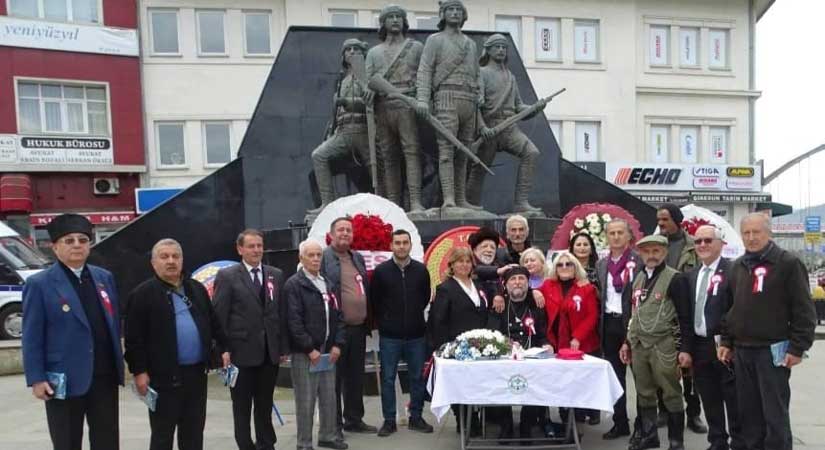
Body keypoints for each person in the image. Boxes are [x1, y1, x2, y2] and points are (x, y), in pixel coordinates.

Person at [22, 214, 124, 450]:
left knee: (107, 440)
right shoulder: (40, 284)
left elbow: (112, 322)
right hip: (63, 380)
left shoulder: (103, 278)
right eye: (69, 241)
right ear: (55, 247)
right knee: (67, 441)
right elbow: (32, 336)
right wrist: (37, 378)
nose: (77, 245)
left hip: (103, 375)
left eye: (82, 240)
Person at [718, 213, 816, 450]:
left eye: (756, 232)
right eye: (746, 233)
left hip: (773, 353)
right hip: (742, 352)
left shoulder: (788, 263)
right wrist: (726, 341)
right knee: (749, 413)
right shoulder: (736, 267)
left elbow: (804, 310)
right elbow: (731, 309)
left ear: (768, 233)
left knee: (774, 415)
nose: (751, 238)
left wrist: (798, 347)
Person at [125, 239, 230, 450]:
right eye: (164, 257)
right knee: (163, 435)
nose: (171, 261)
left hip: (196, 375)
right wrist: (139, 372)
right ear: (154, 263)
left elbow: (214, 323)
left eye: (175, 256)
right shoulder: (142, 294)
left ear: (182, 260)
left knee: (193, 433)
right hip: (162, 377)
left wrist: (224, 349)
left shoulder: (196, 289)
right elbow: (133, 339)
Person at [213, 229, 288, 450]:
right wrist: (222, 349)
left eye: (259, 246)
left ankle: (267, 443)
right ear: (240, 249)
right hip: (241, 353)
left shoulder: (275, 274)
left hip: (269, 352)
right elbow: (219, 316)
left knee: (264, 404)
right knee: (242, 406)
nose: (256, 250)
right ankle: (245, 444)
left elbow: (279, 314)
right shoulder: (227, 276)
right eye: (251, 246)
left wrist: (281, 346)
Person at [675, 225, 743, 450]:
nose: (702, 245)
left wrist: (728, 342)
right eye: (698, 241)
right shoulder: (691, 276)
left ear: (720, 244)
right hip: (700, 346)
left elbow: (737, 310)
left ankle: (738, 442)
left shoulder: (733, 271)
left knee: (732, 399)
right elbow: (686, 317)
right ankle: (717, 442)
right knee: (710, 399)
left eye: (707, 241)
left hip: (725, 346)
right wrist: (685, 348)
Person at [620, 235, 690, 450]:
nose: (651, 255)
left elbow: (685, 316)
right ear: (641, 254)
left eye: (656, 251)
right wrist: (626, 342)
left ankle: (676, 441)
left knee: (670, 392)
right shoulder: (638, 278)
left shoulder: (675, 278)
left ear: (665, 253)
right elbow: (634, 313)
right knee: (644, 392)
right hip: (639, 344)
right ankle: (649, 436)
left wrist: (685, 349)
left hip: (664, 344)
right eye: (647, 251)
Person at [466, 33, 544, 213]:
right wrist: (482, 128)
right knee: (479, 169)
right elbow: (474, 106)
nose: (501, 50)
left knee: (531, 152)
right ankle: (471, 205)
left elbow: (519, 107)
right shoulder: (482, 73)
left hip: (509, 127)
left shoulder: (511, 77)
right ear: (489, 50)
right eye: (497, 47)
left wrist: (535, 108)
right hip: (489, 127)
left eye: (503, 47)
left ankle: (521, 202)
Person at [415, 0, 479, 209]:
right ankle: (449, 198)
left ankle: (461, 198)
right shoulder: (435, 40)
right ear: (442, 14)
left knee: (464, 153)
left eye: (458, 10)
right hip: (445, 97)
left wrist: (480, 94)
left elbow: (477, 75)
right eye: (450, 9)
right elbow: (425, 70)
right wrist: (423, 99)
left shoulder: (471, 44)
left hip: (468, 101)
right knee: (446, 152)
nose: (454, 13)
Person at [370, 230, 434, 436]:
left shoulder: (421, 271)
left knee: (417, 378)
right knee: (388, 379)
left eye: (405, 242)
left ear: (410, 245)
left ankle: (416, 417)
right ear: (391, 246)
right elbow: (375, 302)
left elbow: (424, 298)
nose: (401, 246)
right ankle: (389, 421)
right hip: (390, 336)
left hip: (416, 334)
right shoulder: (381, 272)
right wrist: (387, 321)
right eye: (397, 243)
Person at [285, 239, 348, 450]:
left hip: (328, 352)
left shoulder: (328, 283)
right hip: (306, 353)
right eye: (310, 255)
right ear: (301, 258)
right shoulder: (294, 284)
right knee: (306, 401)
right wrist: (309, 348)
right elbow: (294, 321)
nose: (315, 259)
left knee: (329, 397)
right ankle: (304, 443)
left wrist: (338, 344)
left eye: (318, 255)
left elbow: (339, 316)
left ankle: (328, 436)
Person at [320, 217, 377, 435]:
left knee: (355, 377)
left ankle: (354, 419)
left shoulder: (357, 258)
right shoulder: (324, 258)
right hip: (336, 330)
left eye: (348, 230)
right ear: (332, 234)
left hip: (358, 328)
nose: (345, 233)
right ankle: (333, 425)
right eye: (340, 230)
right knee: (334, 380)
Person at [366, 5, 425, 212]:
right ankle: (392, 203)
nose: (394, 20)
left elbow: (424, 76)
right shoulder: (373, 53)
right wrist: (371, 91)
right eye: (390, 17)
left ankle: (416, 201)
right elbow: (369, 81)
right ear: (383, 22)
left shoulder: (416, 48)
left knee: (412, 152)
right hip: (383, 106)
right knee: (389, 155)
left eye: (398, 17)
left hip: (407, 104)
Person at [429, 246, 492, 435]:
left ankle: (476, 416)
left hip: (480, 346)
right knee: (460, 385)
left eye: (467, 261)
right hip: (456, 347)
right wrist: (443, 348)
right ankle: (463, 420)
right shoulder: (445, 288)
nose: (464, 265)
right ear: (452, 265)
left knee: (477, 384)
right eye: (460, 261)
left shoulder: (479, 286)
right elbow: (438, 320)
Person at [656, 203, 705, 433]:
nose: (661, 223)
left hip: (687, 313)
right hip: (661, 315)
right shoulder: (655, 246)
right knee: (661, 367)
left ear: (677, 220)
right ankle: (664, 411)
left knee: (689, 369)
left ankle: (693, 414)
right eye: (659, 219)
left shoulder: (693, 247)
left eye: (665, 219)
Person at [488, 266, 550, 442]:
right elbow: (492, 334)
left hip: (531, 358)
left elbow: (542, 334)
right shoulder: (499, 304)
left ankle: (526, 424)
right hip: (504, 357)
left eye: (521, 279)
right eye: (513, 280)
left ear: (527, 283)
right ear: (505, 285)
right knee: (497, 383)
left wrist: (546, 345)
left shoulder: (536, 305)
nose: (517, 283)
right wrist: (505, 344)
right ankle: (506, 425)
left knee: (538, 383)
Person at [310, 39, 373, 213]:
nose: (352, 52)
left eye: (357, 49)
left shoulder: (368, 75)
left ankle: (388, 201)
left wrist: (346, 102)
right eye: (348, 50)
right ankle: (328, 203)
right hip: (343, 131)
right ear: (343, 56)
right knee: (319, 156)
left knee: (375, 168)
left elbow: (372, 102)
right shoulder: (342, 80)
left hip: (363, 129)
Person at [595, 218, 640, 440]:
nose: (615, 237)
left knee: (640, 378)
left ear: (628, 236)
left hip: (632, 323)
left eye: (620, 232)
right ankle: (620, 422)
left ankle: (643, 425)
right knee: (616, 378)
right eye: (611, 233)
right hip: (609, 324)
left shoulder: (638, 261)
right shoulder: (602, 264)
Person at [539, 251, 597, 425]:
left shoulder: (586, 288)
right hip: (554, 341)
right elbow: (531, 295)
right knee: (558, 380)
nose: (564, 267)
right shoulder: (547, 285)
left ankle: (576, 417)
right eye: (560, 264)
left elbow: (592, 316)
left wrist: (578, 337)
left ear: (575, 267)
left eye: (568, 264)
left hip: (578, 342)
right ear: (555, 268)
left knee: (576, 381)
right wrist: (535, 293)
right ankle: (564, 415)